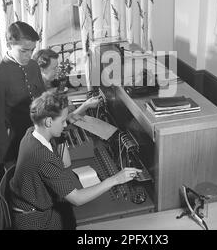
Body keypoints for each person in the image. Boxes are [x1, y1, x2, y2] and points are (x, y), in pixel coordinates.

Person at [10, 91, 141, 230]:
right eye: (62, 121)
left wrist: (64, 126)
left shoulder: (31, 133)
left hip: (27, 204)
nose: (65, 125)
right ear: (48, 121)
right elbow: (77, 198)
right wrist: (116, 179)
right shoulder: (43, 157)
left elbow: (65, 161)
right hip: (34, 220)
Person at [0, 21, 46, 183]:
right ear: (9, 45)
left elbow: (43, 100)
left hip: (40, 138)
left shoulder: (33, 66)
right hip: (16, 147)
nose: (29, 55)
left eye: (32, 50)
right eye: (24, 51)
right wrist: (6, 161)